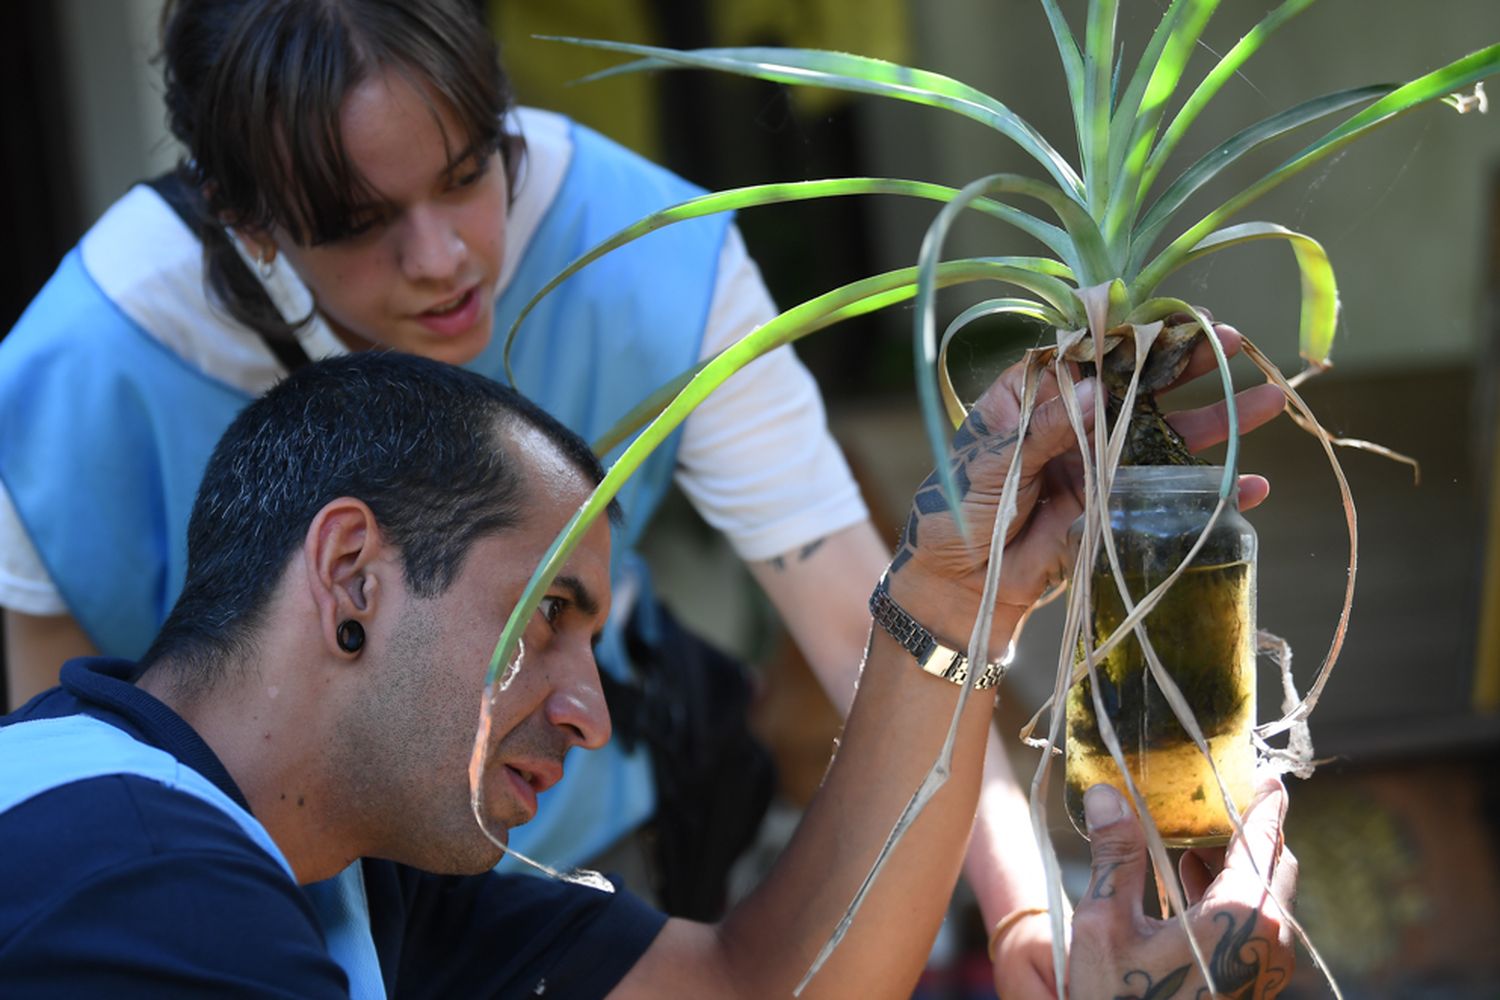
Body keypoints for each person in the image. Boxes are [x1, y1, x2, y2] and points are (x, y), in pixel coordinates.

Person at [0, 0, 1068, 988]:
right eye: (363, 222)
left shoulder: (649, 251)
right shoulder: (78, 374)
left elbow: (855, 629)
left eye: (470, 173)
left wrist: (1027, 913)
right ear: (249, 219)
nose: (443, 258)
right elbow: (73, 754)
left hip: (509, 866)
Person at [0, 350, 1297, 998]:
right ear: (351, 577)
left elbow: (755, 986)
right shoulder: (131, 891)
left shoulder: (353, 864)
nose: (594, 710)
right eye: (549, 615)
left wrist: (958, 597)